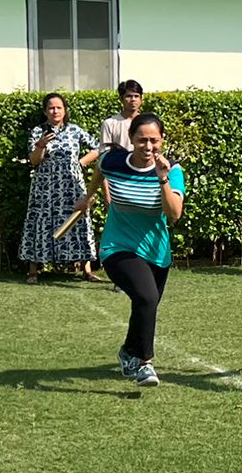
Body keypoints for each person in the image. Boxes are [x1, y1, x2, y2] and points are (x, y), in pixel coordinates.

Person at [74, 112, 184, 386]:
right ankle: (145, 363)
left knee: (146, 303)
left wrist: (162, 179)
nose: (148, 146)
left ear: (162, 140)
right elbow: (100, 169)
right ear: (131, 139)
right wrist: (88, 196)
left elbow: (174, 214)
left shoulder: (172, 170)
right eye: (142, 140)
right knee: (147, 297)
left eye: (154, 140)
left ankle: (128, 351)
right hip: (117, 247)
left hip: (156, 252)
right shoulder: (113, 161)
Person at [19, 92, 100, 284]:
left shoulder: (74, 130)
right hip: (45, 187)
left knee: (79, 220)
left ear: (65, 110)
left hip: (72, 185)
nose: (55, 111)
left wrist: (82, 162)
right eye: (51, 108)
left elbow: (99, 147)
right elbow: (34, 161)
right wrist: (40, 146)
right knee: (40, 221)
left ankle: (86, 270)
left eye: (58, 107)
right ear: (45, 111)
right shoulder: (38, 131)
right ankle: (33, 271)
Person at [100, 79, 144, 153]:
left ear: (141, 99)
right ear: (121, 99)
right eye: (129, 96)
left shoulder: (147, 124)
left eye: (136, 96)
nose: (133, 99)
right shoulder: (109, 124)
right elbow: (105, 152)